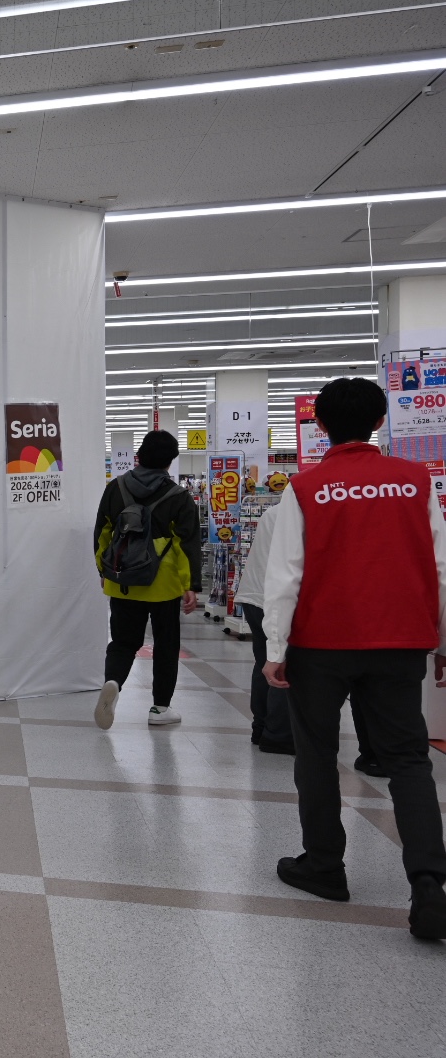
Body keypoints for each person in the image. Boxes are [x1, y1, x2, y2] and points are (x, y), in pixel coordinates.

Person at [261, 377, 446, 940]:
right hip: (400, 640)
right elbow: (439, 567)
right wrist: (442, 640)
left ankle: (324, 866)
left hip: (322, 643)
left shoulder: (306, 487)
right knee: (408, 759)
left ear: (320, 425)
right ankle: (430, 887)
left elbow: (286, 574)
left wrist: (275, 648)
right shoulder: (416, 481)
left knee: (317, 754)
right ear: (380, 421)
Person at [93, 430, 203, 729]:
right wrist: (190, 585)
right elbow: (186, 543)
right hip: (163, 581)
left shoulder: (115, 488)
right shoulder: (179, 496)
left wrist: (105, 571)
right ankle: (160, 708)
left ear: (139, 456)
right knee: (166, 644)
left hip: (124, 576)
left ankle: (114, 681)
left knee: (123, 641)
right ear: (170, 461)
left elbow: (103, 532)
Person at [232, 502, 294, 754]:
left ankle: (260, 728)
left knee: (264, 663)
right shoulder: (300, 513)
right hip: (277, 600)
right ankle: (278, 736)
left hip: (254, 597)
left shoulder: (274, 511)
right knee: (284, 666)